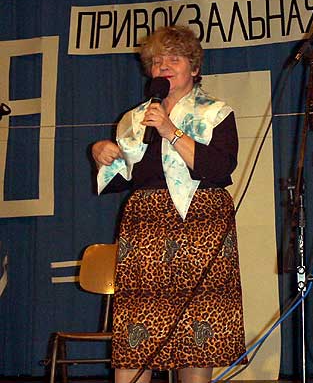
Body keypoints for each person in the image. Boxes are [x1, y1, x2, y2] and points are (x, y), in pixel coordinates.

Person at [92, 25, 246, 383]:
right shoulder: (135, 118)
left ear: (194, 68)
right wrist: (102, 153)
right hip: (146, 226)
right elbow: (125, 178)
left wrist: (170, 131)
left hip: (201, 223)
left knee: (198, 322)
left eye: (173, 59)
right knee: (139, 324)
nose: (163, 66)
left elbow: (220, 168)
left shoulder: (216, 113)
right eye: (156, 61)